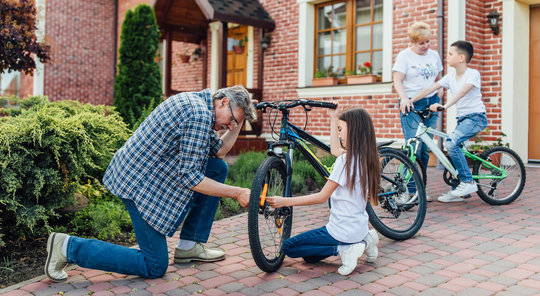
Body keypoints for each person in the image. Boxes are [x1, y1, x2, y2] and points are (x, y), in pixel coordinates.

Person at [45, 85, 256, 282]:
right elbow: (190, 177)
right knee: (154, 265)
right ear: (223, 102)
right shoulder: (198, 115)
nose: (229, 126)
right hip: (137, 183)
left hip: (145, 174)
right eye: (231, 120)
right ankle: (67, 247)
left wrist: (238, 121)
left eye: (234, 124)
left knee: (217, 168)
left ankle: (190, 245)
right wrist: (237, 192)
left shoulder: (200, 106)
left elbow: (219, 152)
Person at [267, 106, 380, 276]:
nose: (339, 134)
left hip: (341, 232)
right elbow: (335, 150)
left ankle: (346, 249)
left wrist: (284, 201)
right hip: (358, 227)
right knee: (310, 258)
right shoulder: (366, 157)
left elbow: (321, 197)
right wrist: (334, 119)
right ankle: (366, 239)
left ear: (354, 130)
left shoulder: (345, 161)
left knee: (288, 247)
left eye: (341, 130)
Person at [410, 40, 487, 202]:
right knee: (451, 147)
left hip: (476, 117)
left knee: (451, 143)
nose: (446, 57)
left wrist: (445, 106)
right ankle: (458, 191)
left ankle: (467, 181)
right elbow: (430, 88)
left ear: (461, 58)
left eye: (450, 54)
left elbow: (462, 92)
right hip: (462, 119)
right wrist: (410, 100)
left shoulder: (472, 74)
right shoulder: (450, 76)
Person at [393, 22, 443, 179]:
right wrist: (404, 98)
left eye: (428, 41)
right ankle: (410, 189)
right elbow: (397, 80)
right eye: (421, 43)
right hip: (412, 104)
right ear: (412, 42)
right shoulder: (404, 56)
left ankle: (421, 188)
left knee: (425, 148)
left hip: (432, 103)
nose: (426, 46)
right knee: (413, 145)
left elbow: (439, 78)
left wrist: (440, 89)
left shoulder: (434, 55)